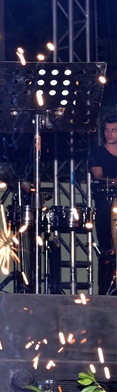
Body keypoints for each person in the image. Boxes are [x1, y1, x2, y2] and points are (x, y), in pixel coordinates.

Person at [89, 114, 117, 295]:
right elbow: (98, 176)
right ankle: (105, 292)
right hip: (105, 205)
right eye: (107, 130)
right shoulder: (97, 153)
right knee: (107, 250)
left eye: (114, 130)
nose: (109, 134)